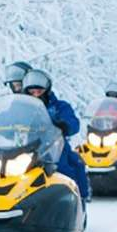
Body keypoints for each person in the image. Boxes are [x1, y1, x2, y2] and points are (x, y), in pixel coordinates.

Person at [21, 68, 90, 202]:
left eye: (39, 91)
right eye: (32, 91)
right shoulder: (21, 108)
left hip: (54, 147)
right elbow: (8, 118)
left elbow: (73, 122)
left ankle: (75, 199)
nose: (35, 95)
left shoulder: (59, 106)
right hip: (24, 147)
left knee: (67, 167)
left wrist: (64, 125)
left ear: (47, 90)